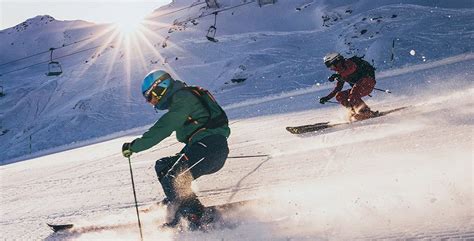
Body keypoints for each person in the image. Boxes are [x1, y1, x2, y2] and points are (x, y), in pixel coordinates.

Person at [121, 70, 230, 229]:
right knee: (163, 166)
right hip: (202, 147)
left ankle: (195, 215)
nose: (150, 102)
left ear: (160, 89)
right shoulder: (181, 99)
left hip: (211, 148)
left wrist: (134, 146)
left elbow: (164, 127)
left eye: (150, 97)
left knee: (175, 178)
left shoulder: (183, 98)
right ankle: (179, 201)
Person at [319, 52, 379, 121]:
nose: (330, 68)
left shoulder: (348, 63)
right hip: (358, 87)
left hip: (367, 82)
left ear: (336, 61)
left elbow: (351, 69)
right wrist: (327, 98)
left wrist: (339, 75)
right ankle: (354, 112)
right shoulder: (340, 72)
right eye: (328, 66)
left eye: (330, 65)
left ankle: (367, 113)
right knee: (340, 95)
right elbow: (338, 88)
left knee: (353, 94)